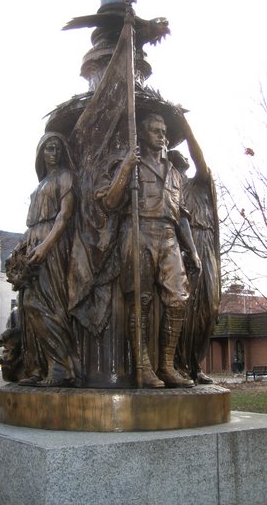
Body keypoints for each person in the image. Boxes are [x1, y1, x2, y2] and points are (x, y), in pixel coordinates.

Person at [98, 113, 200, 388]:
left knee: (179, 298)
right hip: (138, 232)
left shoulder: (175, 174)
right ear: (142, 134)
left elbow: (181, 215)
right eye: (155, 130)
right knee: (139, 302)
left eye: (163, 131)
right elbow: (109, 202)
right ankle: (143, 367)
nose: (161, 136)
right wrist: (125, 168)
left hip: (168, 237)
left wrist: (191, 249)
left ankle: (167, 365)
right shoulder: (130, 164)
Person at [10, 131, 81, 387]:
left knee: (48, 304)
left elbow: (65, 216)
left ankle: (61, 367)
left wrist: (46, 245)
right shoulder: (40, 185)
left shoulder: (65, 176)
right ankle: (39, 366)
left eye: (58, 148)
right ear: (41, 153)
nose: (54, 153)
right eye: (49, 148)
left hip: (53, 243)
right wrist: (22, 246)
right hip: (34, 242)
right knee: (29, 305)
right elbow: (31, 225)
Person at [169, 117, 221, 384]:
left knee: (208, 307)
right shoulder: (171, 190)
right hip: (180, 246)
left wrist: (186, 128)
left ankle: (194, 363)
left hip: (204, 243)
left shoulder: (200, 183)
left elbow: (199, 158)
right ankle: (181, 365)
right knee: (183, 307)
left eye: (177, 165)